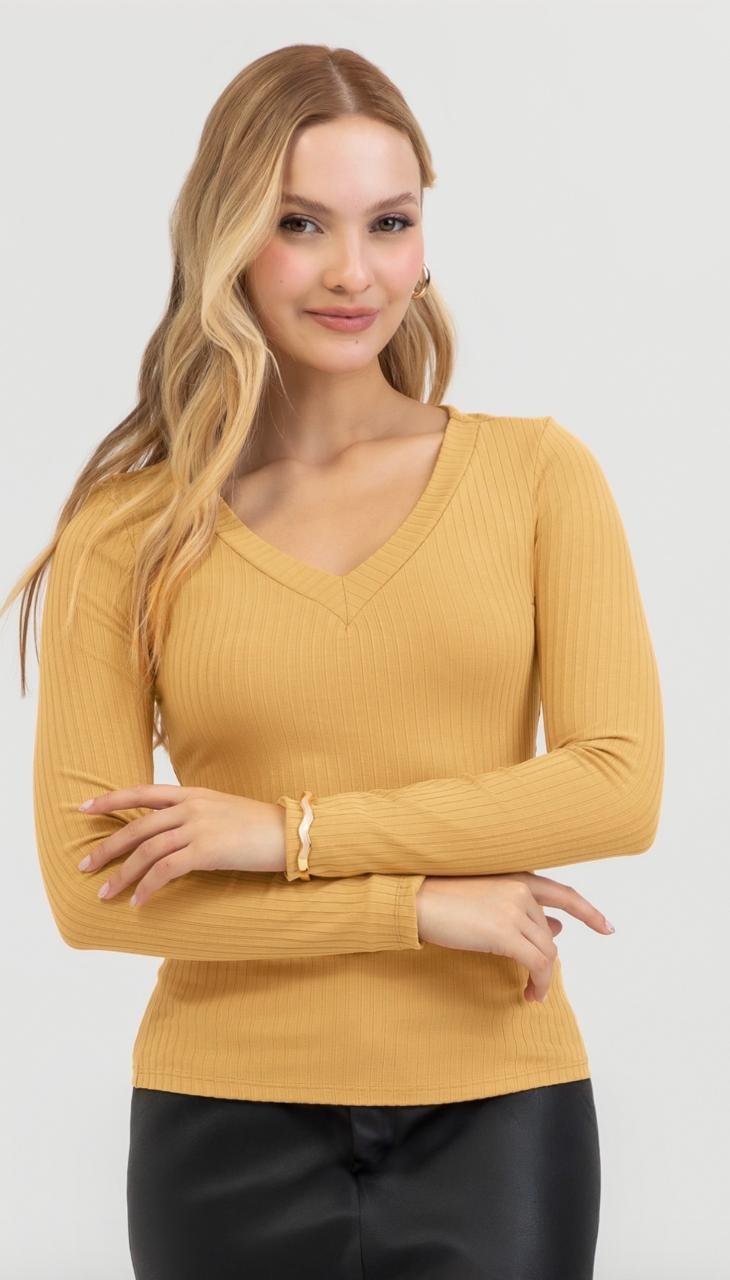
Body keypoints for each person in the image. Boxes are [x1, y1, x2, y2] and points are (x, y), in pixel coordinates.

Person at [8, 42, 664, 1280]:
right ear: (226, 237)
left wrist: (284, 830)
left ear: (424, 241)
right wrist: (410, 908)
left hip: (497, 1112)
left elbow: (615, 785)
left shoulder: (535, 476)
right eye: (300, 223)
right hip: (221, 1123)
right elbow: (93, 897)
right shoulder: (127, 530)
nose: (353, 271)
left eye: (389, 222)